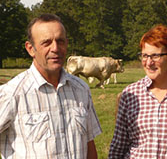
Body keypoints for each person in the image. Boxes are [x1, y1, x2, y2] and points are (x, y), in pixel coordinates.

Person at [0, 14, 102, 159]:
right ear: (30, 49)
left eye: (60, 41)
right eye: (46, 43)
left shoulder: (81, 89)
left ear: (66, 44)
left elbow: (89, 143)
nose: (55, 48)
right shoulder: (12, 93)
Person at [108, 24, 167, 158]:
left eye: (155, 56)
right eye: (144, 56)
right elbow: (118, 147)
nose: (148, 62)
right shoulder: (130, 94)